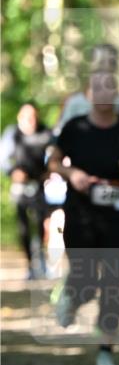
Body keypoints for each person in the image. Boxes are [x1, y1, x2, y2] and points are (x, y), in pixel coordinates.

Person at [48, 71, 119, 365]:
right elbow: (52, 161)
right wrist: (70, 174)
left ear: (116, 92)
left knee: (112, 282)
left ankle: (105, 349)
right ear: (87, 94)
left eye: (109, 86)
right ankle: (73, 296)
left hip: (118, 214)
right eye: (97, 87)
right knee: (86, 278)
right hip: (80, 213)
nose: (104, 92)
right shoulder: (75, 128)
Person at [0, 102, 53, 278]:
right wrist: (13, 171)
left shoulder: (45, 132)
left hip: (39, 186)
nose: (31, 121)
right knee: (23, 227)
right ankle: (30, 265)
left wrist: (51, 170)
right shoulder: (12, 133)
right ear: (20, 117)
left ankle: (42, 262)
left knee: (41, 224)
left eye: (33, 117)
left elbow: (56, 153)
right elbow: (3, 159)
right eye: (27, 117)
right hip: (20, 187)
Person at [54, 44, 119, 133]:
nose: (105, 67)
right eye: (100, 62)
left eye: (110, 62)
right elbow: (61, 136)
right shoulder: (75, 104)